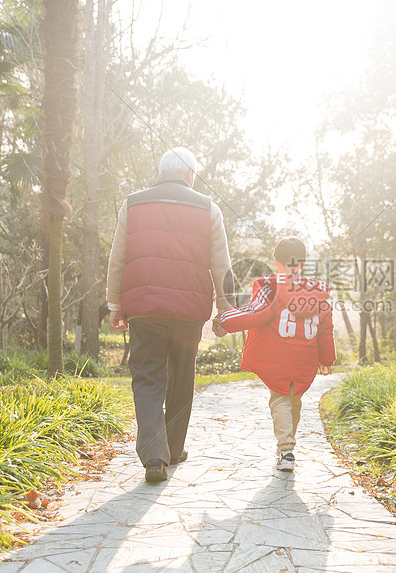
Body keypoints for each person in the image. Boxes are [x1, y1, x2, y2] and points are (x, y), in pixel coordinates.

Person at [106, 147, 233, 483]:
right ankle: (173, 449)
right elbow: (221, 264)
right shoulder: (209, 208)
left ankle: (154, 456)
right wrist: (226, 308)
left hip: (144, 306)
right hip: (189, 309)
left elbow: (118, 257)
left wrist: (114, 303)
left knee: (147, 377)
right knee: (182, 374)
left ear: (160, 172)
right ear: (190, 174)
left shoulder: (133, 203)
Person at [213, 236, 335, 472]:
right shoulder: (316, 292)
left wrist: (225, 320)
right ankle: (287, 449)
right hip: (304, 360)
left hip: (277, 358)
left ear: (275, 260)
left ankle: (286, 450)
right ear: (302, 263)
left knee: (280, 398)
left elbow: (254, 314)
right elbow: (325, 328)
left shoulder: (270, 287)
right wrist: (327, 359)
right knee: (294, 400)